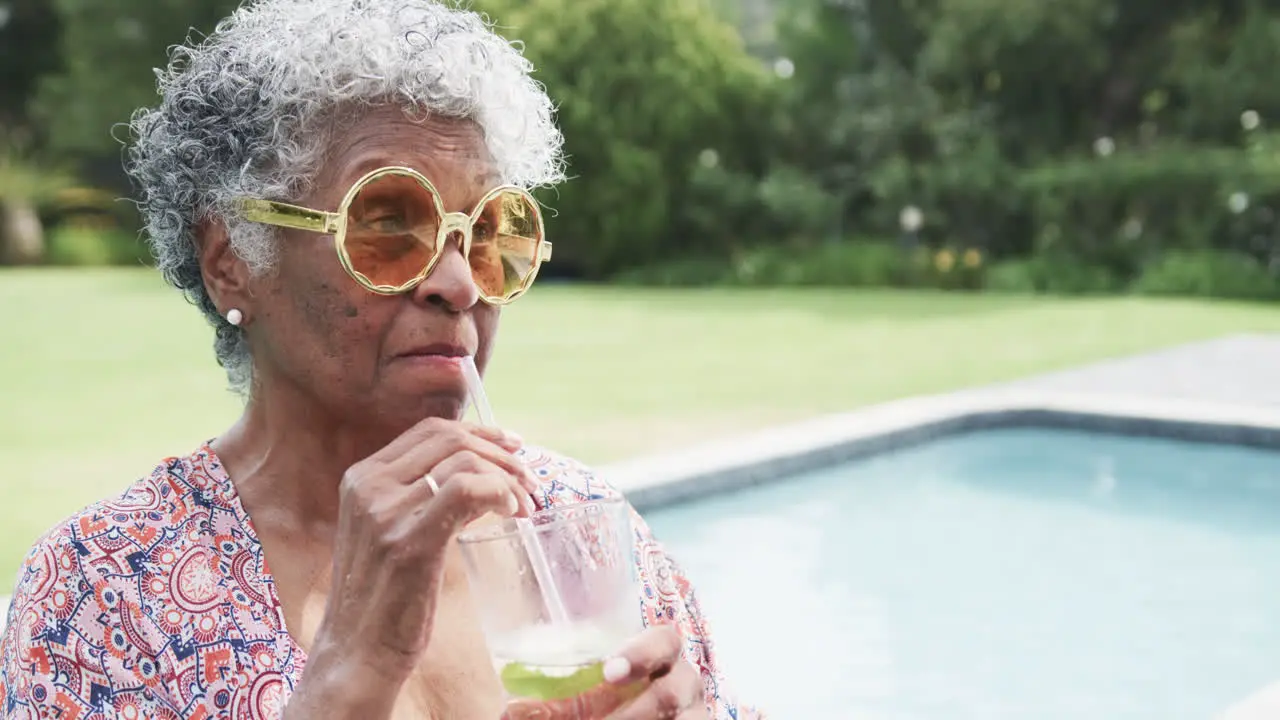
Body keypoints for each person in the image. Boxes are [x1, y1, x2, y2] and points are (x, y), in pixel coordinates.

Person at [0, 1, 760, 718]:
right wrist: (344, 685)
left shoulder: (575, 531)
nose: (460, 283)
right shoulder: (103, 591)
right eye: (388, 221)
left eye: (490, 230)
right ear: (230, 259)